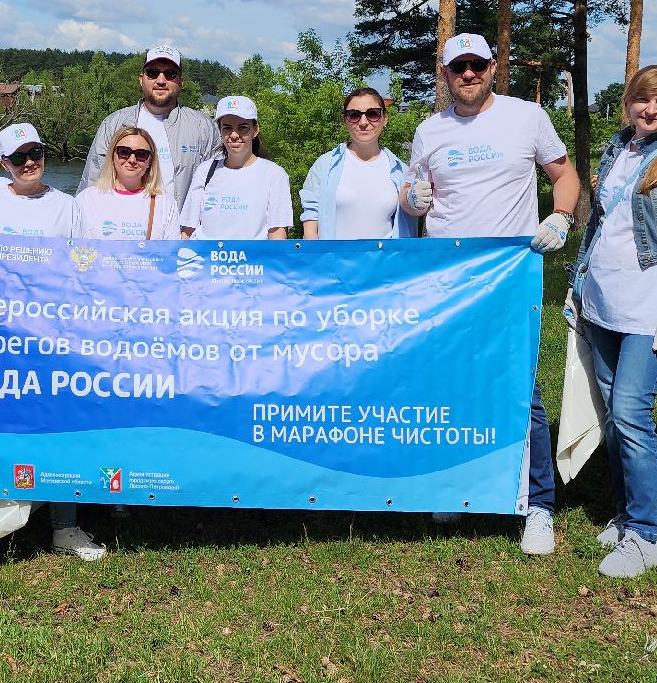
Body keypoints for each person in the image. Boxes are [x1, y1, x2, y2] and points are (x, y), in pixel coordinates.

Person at [399, 33, 580, 553]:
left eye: (477, 64)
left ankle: (538, 504)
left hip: (509, 275)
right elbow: (415, 197)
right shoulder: (429, 130)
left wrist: (562, 216)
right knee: (452, 385)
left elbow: (564, 176)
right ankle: (459, 490)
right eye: (459, 67)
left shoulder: (526, 117)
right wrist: (411, 200)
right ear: (446, 73)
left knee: (521, 391)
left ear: (494, 67)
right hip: (448, 278)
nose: (469, 74)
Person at [568, 64, 657, 579]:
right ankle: (627, 513)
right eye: (643, 101)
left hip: (651, 305)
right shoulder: (617, 149)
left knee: (630, 411)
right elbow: (602, 223)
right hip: (605, 298)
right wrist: (578, 281)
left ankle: (645, 536)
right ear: (629, 101)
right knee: (611, 411)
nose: (651, 111)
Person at [0, 123, 106, 561]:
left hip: (53, 337)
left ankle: (65, 525)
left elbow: (86, 265)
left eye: (37, 153)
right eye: (20, 157)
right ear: (3, 163)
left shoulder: (68, 206)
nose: (30, 163)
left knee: (58, 428)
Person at [80, 45, 220, 209]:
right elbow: (91, 182)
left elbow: (217, 187)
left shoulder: (204, 128)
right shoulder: (113, 124)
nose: (161, 80)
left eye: (170, 74)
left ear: (181, 81)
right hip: (122, 228)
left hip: (182, 232)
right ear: (141, 78)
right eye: (152, 73)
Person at [298, 86, 417, 240]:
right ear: (345, 121)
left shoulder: (401, 171)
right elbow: (311, 222)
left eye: (372, 114)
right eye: (354, 115)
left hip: (385, 263)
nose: (363, 122)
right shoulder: (324, 165)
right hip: (334, 263)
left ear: (385, 118)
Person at [180, 96, 293, 239]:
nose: (234, 135)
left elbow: (277, 236)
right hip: (207, 261)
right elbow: (188, 231)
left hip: (253, 261)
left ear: (255, 130)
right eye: (227, 128)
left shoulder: (274, 175)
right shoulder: (205, 171)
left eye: (243, 128)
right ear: (220, 130)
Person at [75, 124, 179, 240]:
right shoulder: (86, 199)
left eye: (141, 154)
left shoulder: (166, 205)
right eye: (124, 152)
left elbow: (171, 253)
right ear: (112, 156)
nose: (132, 160)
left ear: (150, 161)